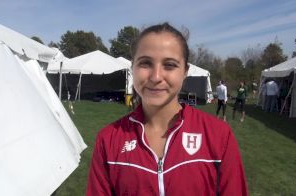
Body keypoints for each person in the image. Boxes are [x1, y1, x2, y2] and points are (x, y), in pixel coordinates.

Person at [86, 23, 248, 196]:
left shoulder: (218, 135)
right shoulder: (108, 139)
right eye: (145, 63)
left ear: (185, 72)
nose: (156, 77)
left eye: (169, 65)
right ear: (133, 68)